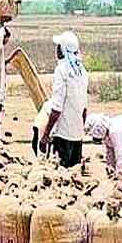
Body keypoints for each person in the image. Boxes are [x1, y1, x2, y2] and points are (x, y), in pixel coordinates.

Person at [39, 31, 89, 167]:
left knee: (61, 180)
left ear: (62, 50)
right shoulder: (82, 72)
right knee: (74, 178)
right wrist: (79, 130)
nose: (57, 50)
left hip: (63, 136)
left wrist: (45, 135)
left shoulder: (61, 71)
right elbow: (84, 110)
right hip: (77, 136)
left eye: (58, 47)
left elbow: (56, 109)